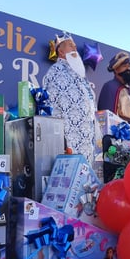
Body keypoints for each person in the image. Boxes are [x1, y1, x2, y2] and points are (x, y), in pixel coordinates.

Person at [43, 32, 97, 166]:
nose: (75, 49)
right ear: (60, 52)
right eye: (70, 46)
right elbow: (53, 106)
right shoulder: (56, 71)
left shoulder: (79, 75)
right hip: (68, 141)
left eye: (75, 46)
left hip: (86, 139)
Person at [98, 51, 130, 131]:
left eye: (129, 66)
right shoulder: (110, 86)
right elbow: (105, 116)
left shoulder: (129, 89)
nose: (128, 69)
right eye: (124, 66)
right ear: (116, 69)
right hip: (119, 134)